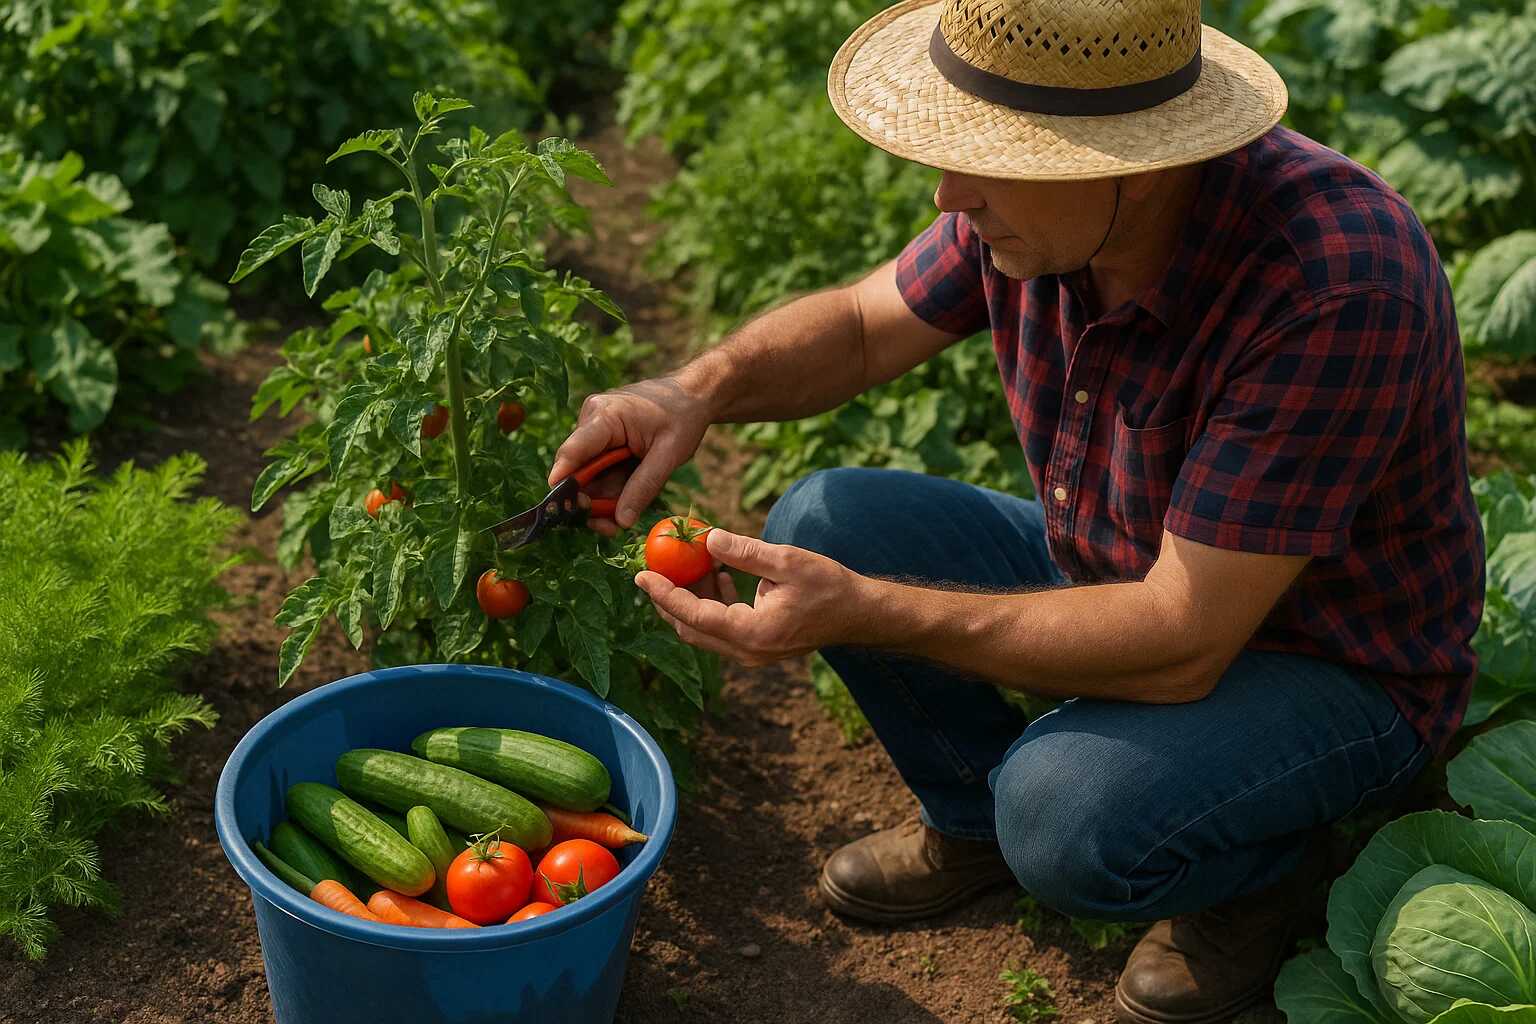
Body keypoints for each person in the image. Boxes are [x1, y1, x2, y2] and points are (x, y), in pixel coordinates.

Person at [548, 0, 1486, 1018]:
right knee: (824, 516)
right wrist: (698, 387)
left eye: (987, 159)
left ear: (1127, 159)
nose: (950, 192)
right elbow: (864, 328)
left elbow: (1182, 637)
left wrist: (866, 610)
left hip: (1325, 661)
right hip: (1131, 570)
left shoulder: (1333, 282)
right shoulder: (1049, 212)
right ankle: (970, 815)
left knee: (1064, 814)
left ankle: (1272, 872)